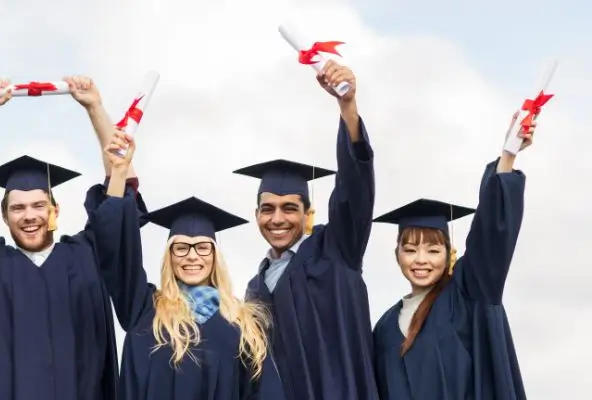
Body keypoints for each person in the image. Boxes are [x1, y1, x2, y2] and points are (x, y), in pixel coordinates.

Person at [0, 77, 135, 399]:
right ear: (4, 217)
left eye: (39, 205)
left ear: (55, 209)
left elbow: (119, 194)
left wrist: (95, 107)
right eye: (18, 208)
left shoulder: (88, 254)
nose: (29, 216)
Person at [88, 131, 286, 399]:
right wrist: (119, 172)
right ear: (169, 256)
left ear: (215, 257)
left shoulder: (243, 325)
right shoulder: (144, 310)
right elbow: (115, 248)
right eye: (181, 248)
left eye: (203, 247)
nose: (192, 256)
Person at [235, 61, 378, 399]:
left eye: (289, 208)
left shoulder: (336, 249)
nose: (278, 219)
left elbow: (355, 189)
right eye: (268, 209)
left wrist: (348, 107)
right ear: (256, 215)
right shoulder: (254, 288)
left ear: (307, 214)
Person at [371, 121, 534, 399]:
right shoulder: (385, 327)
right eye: (410, 249)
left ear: (450, 254)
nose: (420, 260)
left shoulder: (466, 295)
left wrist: (507, 156)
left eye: (433, 250)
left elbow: (490, 236)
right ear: (396, 254)